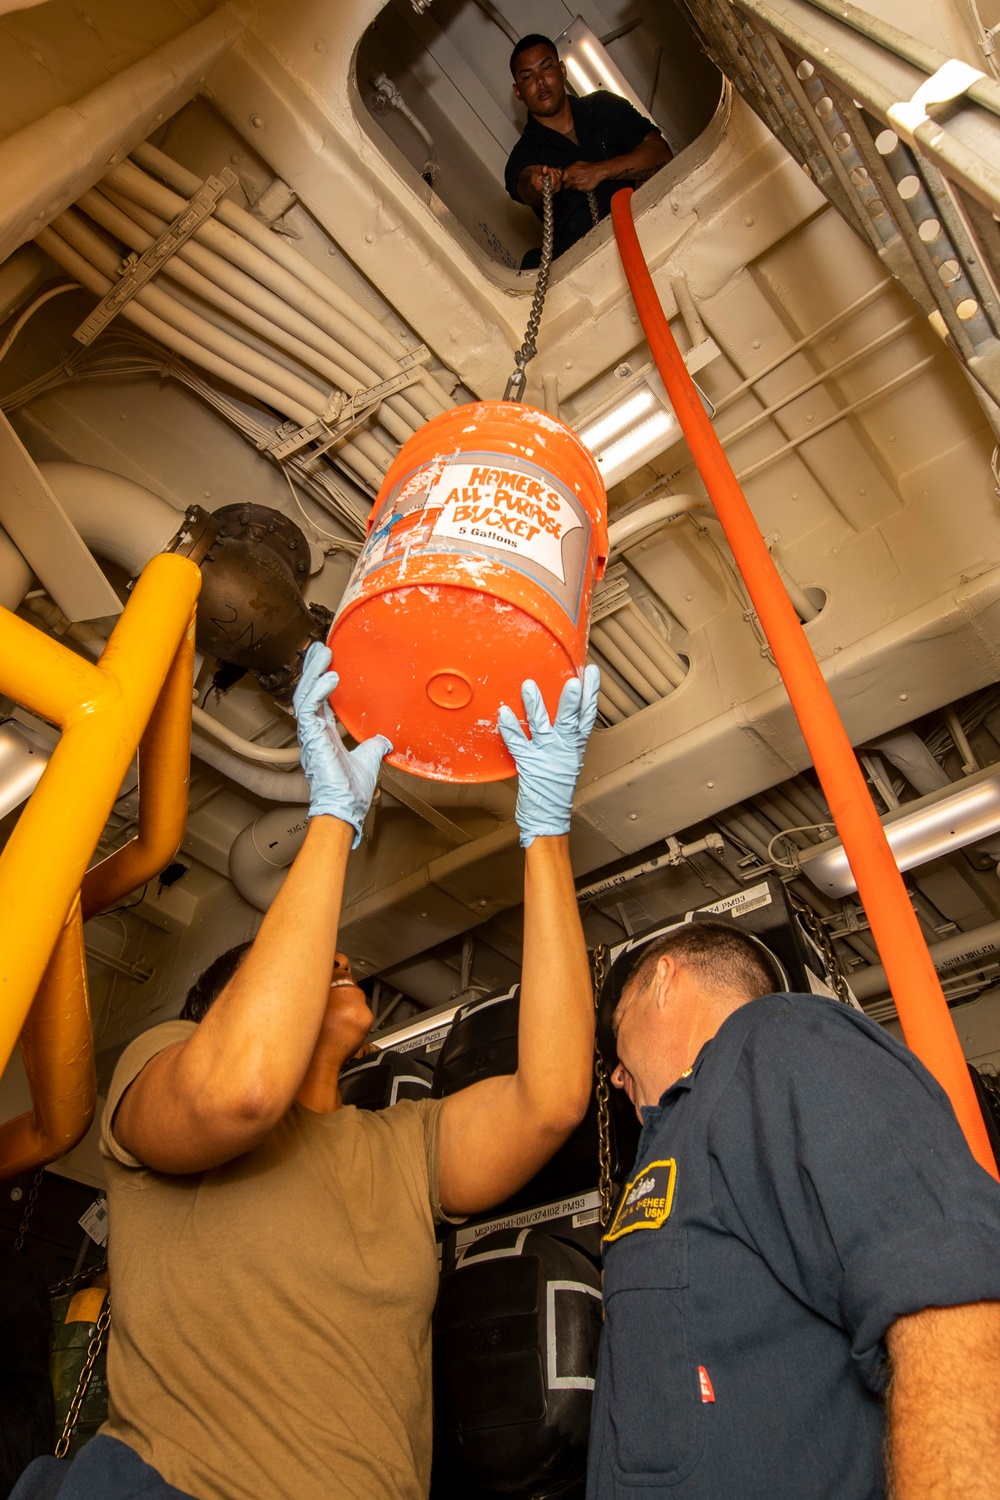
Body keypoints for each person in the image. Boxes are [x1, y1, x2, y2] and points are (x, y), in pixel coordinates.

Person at [12, 649, 601, 1500]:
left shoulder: (401, 1147)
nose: (341, 960)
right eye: (308, 966)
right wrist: (332, 821)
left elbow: (551, 1102)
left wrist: (544, 830)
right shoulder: (156, 1070)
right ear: (225, 1006)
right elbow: (243, 1087)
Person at [586, 918, 1000, 1499]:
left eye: (619, 1024)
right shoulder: (685, 1133)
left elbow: (952, 1307)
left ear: (663, 979)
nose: (615, 1072)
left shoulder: (780, 1040)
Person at [504, 34, 672, 268]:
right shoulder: (523, 155)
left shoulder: (604, 107)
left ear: (562, 70)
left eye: (547, 67)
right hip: (584, 267)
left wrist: (600, 171)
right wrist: (537, 184)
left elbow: (661, 154)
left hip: (643, 234)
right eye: (528, 77)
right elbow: (523, 183)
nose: (540, 81)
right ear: (518, 91)